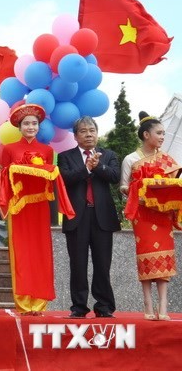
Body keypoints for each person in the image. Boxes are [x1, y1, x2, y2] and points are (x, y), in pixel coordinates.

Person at [0, 104, 73, 315]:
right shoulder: (9, 149)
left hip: (39, 207)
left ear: (39, 127)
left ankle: (39, 303)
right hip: (19, 208)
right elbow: (3, 177)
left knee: (40, 252)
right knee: (21, 253)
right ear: (19, 127)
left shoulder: (48, 151)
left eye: (34, 123)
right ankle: (22, 302)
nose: (30, 127)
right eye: (26, 124)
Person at [57, 116, 120, 318]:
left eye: (92, 130)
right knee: (78, 263)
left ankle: (104, 306)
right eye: (83, 131)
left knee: (103, 263)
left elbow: (114, 176)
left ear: (97, 133)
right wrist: (86, 168)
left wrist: (98, 166)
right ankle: (79, 307)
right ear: (75, 136)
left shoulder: (108, 154)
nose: (88, 134)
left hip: (102, 216)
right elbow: (66, 179)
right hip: (77, 217)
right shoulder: (65, 156)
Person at [121, 111, 180, 321]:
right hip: (143, 214)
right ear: (146, 135)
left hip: (162, 215)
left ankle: (163, 306)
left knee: (164, 257)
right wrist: (142, 189)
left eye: (164, 133)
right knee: (145, 256)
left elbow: (176, 185)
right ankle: (147, 303)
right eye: (159, 133)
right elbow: (123, 187)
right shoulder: (131, 159)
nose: (163, 137)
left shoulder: (168, 160)